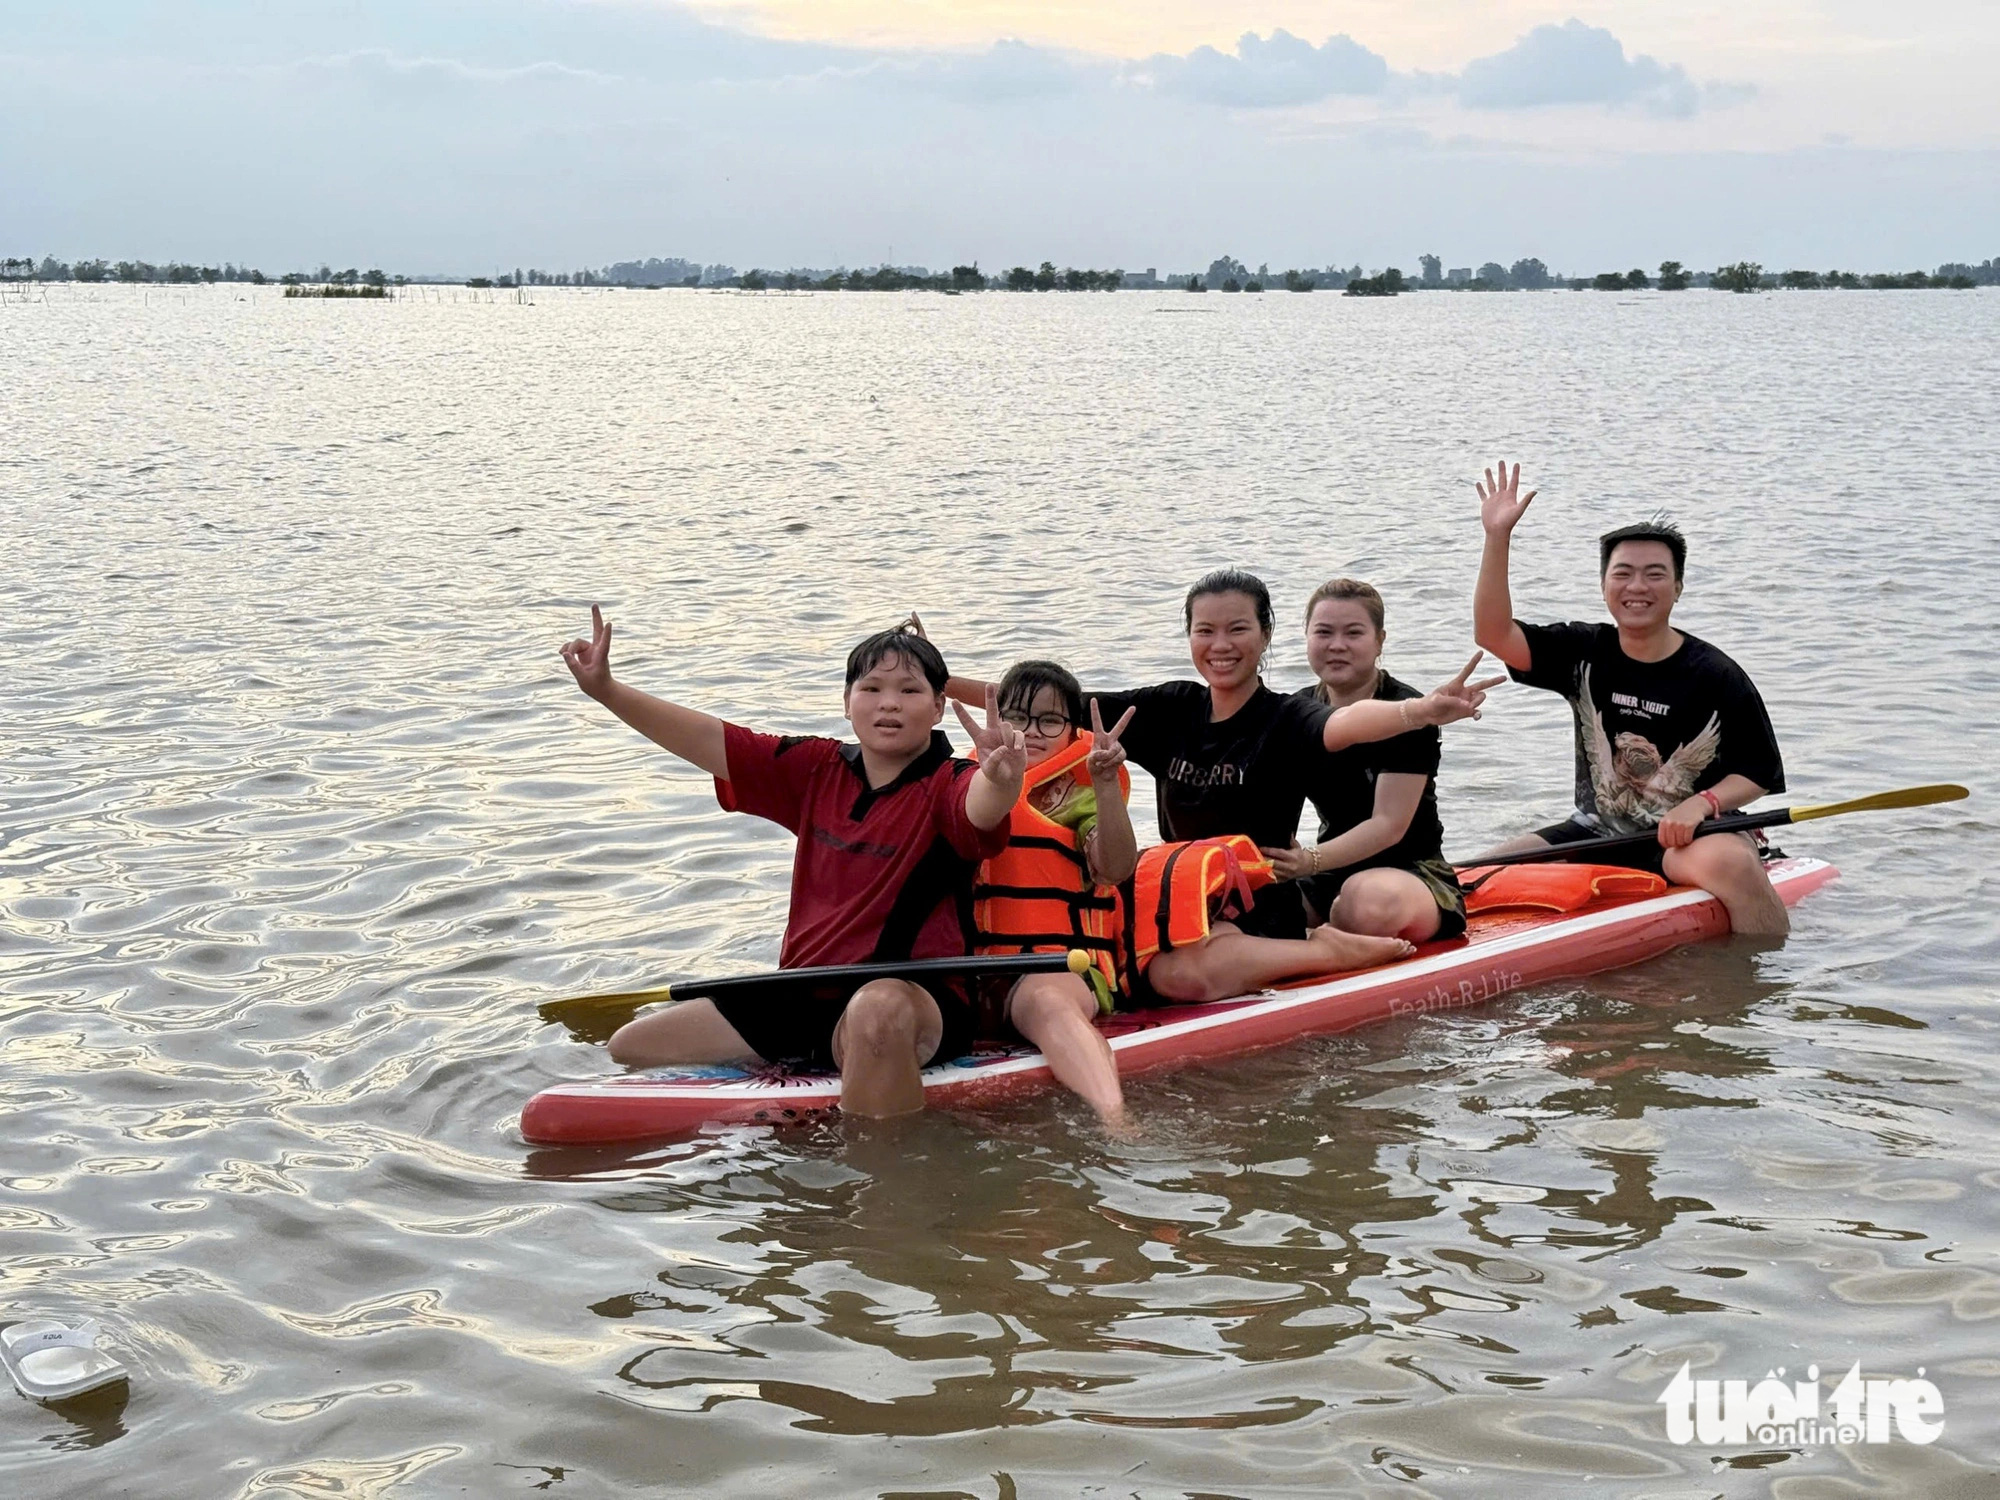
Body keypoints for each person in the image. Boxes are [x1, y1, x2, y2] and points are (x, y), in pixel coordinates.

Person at [945, 571, 1501, 1004]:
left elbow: (1345, 725)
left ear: (1265, 636)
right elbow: (1047, 704)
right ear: (1188, 635)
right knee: (1147, 969)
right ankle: (1309, 948)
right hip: (1181, 891)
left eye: (1238, 629)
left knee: (1180, 975)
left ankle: (1320, 952)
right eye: (1204, 630)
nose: (1221, 644)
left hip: (1256, 896)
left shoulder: (1285, 717)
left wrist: (1420, 710)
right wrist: (933, 681)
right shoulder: (1170, 708)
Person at [558, 609, 1029, 1116]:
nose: (889, 703)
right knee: (633, 1045)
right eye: (871, 688)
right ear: (847, 703)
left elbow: (982, 806)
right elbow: (707, 740)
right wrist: (607, 690)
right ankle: (812, 1080)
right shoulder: (816, 767)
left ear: (939, 706)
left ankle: (878, 1175)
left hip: (914, 1000)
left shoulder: (949, 780)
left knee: (876, 1010)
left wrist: (1002, 777)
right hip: (804, 990)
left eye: (910, 691)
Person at [1470, 461, 1790, 936]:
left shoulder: (1716, 674)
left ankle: (1762, 985)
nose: (1637, 587)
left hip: (1687, 838)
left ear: (1678, 588)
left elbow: (1758, 772)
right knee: (1473, 875)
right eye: (1623, 573)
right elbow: (1494, 634)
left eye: (1655, 574)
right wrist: (1498, 538)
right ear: (1604, 586)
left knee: (1735, 867)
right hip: (1597, 831)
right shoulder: (1583, 651)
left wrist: (1701, 804)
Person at [971, 659, 1139, 1129]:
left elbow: (1115, 866)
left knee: (1045, 1002)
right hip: (966, 974)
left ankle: (1115, 1119)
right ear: (998, 720)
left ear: (1072, 731)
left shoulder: (1082, 799)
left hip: (1058, 967)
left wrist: (1105, 786)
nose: (1033, 731)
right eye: (1018, 718)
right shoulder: (963, 785)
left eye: (1050, 720)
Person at [1262, 579, 1469, 943]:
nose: (1336, 645)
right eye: (1323, 632)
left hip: (1412, 873)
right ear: (1306, 637)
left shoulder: (1409, 712)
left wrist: (1308, 860)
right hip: (1330, 870)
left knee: (1364, 903)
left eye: (1353, 633)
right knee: (1256, 910)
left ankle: (1332, 941)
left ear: (1379, 641)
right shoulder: (1294, 712)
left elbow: (1388, 825)